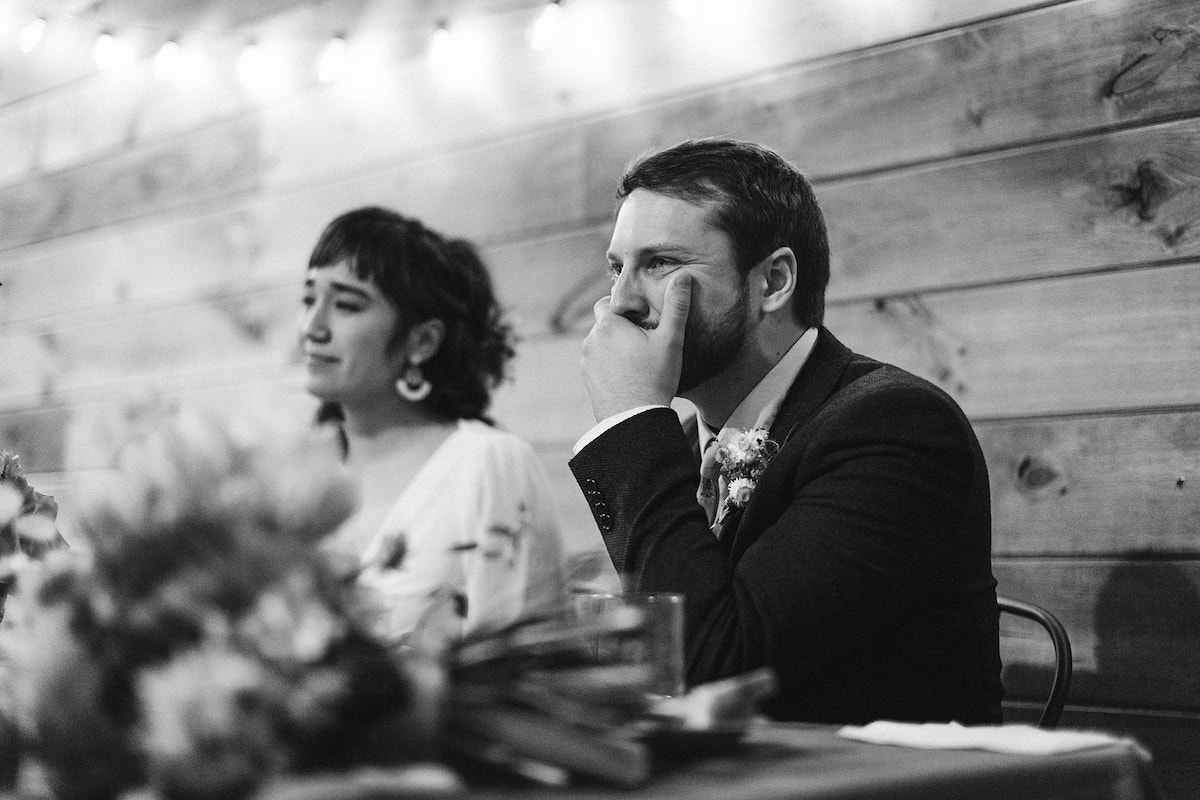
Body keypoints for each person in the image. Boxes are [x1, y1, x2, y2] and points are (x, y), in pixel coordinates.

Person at [569, 139, 1002, 725]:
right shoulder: (700, 442)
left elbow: (716, 667)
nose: (618, 303)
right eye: (618, 267)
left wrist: (630, 423)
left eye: (661, 264)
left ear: (773, 281)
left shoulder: (894, 427)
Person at [300, 206, 566, 644]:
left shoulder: (487, 464)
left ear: (422, 340)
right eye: (309, 299)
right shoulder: (291, 474)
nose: (312, 326)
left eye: (345, 305)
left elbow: (532, 669)